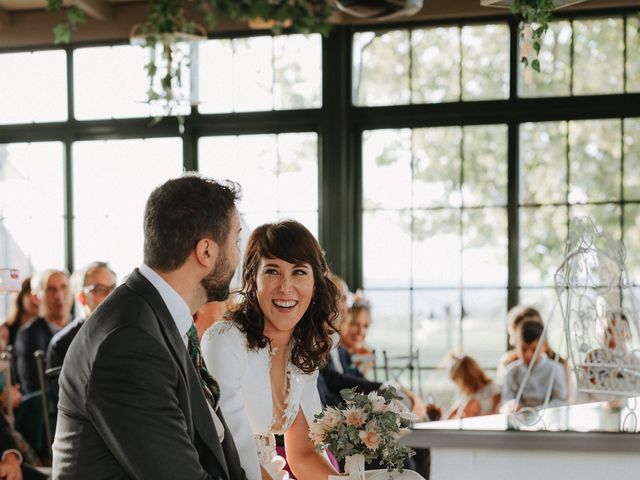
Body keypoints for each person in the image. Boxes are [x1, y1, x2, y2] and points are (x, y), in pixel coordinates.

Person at [51, 174, 247, 480]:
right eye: (235, 240)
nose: (238, 256)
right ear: (206, 251)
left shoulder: (156, 315)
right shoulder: (130, 341)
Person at [202, 220, 423, 480]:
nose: (286, 287)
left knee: (406, 477)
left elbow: (305, 454)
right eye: (272, 271)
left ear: (315, 283)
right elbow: (236, 453)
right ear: (253, 278)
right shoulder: (224, 342)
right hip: (237, 474)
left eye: (298, 272)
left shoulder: (302, 352)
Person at [45, 261, 117, 403]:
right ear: (81, 298)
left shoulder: (125, 333)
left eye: (113, 288)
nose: (110, 294)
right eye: (100, 289)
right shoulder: (62, 343)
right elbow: (65, 400)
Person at [14, 269, 71, 395]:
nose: (59, 295)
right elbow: (34, 387)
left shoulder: (82, 328)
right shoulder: (28, 335)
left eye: (64, 287)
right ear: (36, 297)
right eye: (50, 289)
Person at [501, 320, 568, 412]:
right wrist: (511, 405)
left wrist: (536, 411)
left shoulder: (556, 369)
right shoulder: (511, 371)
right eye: (523, 349)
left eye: (534, 349)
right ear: (516, 346)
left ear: (544, 346)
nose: (528, 354)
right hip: (519, 420)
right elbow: (506, 401)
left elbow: (561, 401)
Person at [446, 355, 500, 419]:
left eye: (458, 381)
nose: (459, 386)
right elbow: (449, 416)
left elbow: (496, 415)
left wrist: (471, 419)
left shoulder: (492, 388)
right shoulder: (465, 394)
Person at [5, 278, 40, 347]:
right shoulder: (6, 330)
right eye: (30, 292)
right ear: (21, 297)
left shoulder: (46, 329)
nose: (35, 299)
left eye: (39, 293)